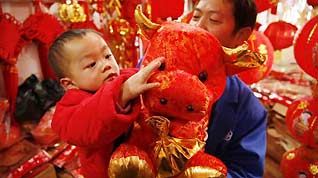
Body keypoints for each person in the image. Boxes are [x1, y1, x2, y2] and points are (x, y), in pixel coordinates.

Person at [48, 29, 164, 178]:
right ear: (70, 83)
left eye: (108, 56)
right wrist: (123, 93)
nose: (106, 65)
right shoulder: (68, 111)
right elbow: (91, 124)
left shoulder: (127, 78)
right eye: (91, 64)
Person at [189, 0, 267, 177]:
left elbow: (247, 173)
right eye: (195, 17)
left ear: (241, 35)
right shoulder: (154, 69)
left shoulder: (248, 109)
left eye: (214, 20)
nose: (198, 27)